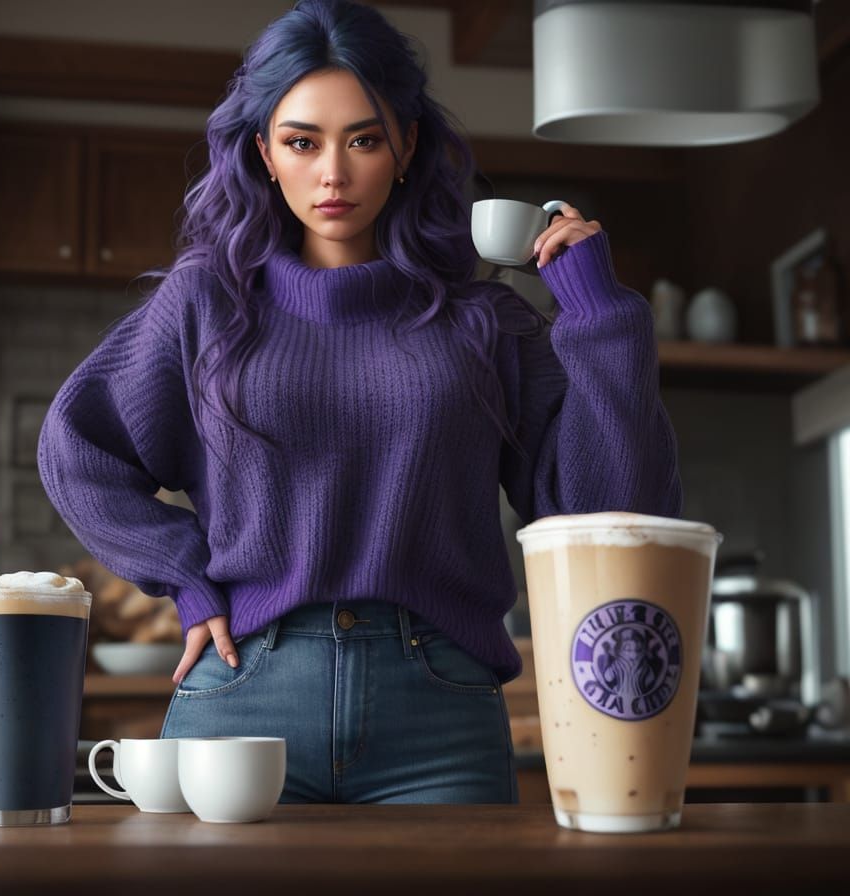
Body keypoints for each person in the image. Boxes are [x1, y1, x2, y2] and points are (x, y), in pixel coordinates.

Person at [38, 0, 682, 804]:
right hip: (244, 697)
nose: (333, 174)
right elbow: (75, 446)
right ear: (264, 152)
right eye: (302, 142)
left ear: (407, 147)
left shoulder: (484, 321)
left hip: (439, 709)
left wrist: (600, 315)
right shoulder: (206, 304)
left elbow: (616, 516)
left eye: (364, 139)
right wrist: (182, 576)